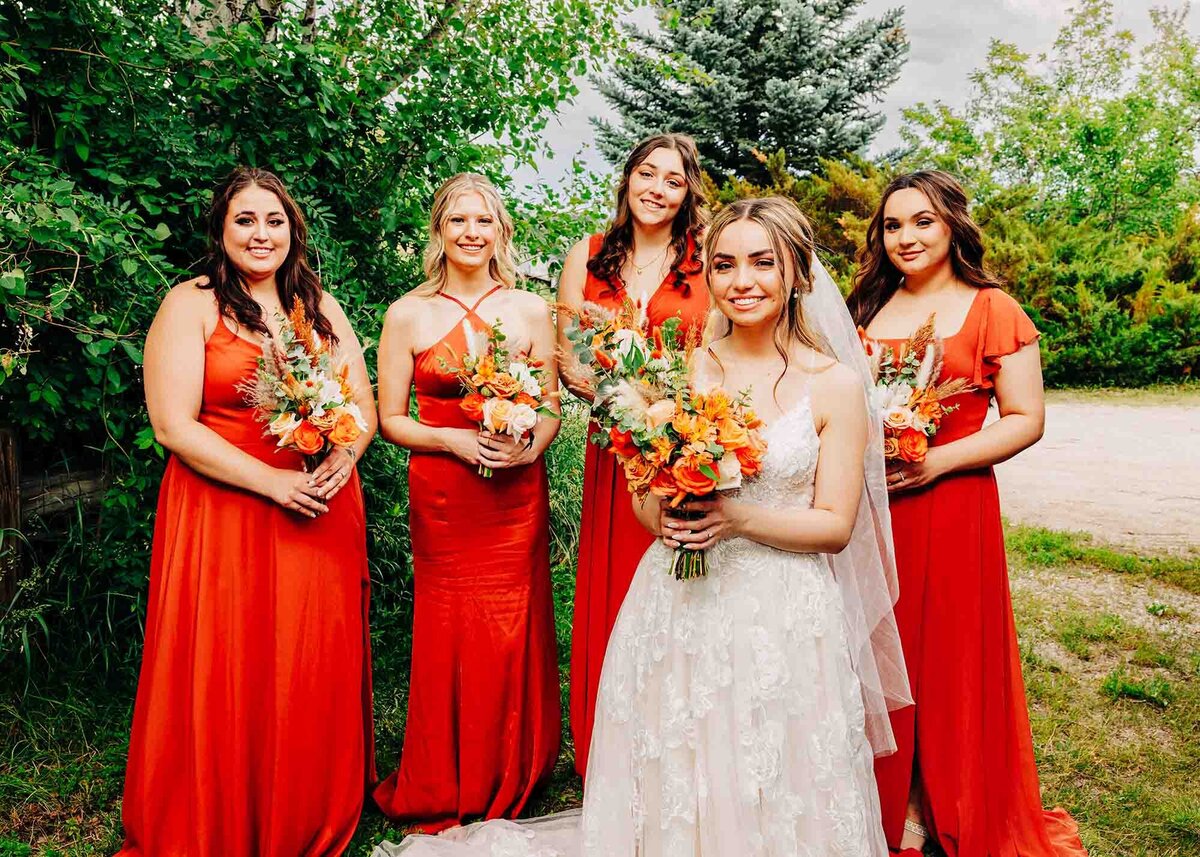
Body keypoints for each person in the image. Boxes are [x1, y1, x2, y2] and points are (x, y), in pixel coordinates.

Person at [373, 196, 910, 857]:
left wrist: (733, 515)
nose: (743, 280)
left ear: (798, 273)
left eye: (762, 263)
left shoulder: (834, 385)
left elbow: (833, 524)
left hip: (782, 608)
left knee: (772, 754)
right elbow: (643, 503)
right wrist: (670, 506)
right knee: (685, 748)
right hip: (680, 595)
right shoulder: (686, 369)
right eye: (724, 264)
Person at [120, 167, 376, 857]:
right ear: (221, 229)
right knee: (228, 659)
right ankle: (222, 809)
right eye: (245, 220)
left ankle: (303, 807)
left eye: (274, 221)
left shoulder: (320, 305)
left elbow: (364, 407)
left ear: (293, 230)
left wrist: (344, 458)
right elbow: (174, 425)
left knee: (305, 658)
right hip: (225, 509)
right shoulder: (192, 304)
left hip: (320, 508)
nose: (261, 234)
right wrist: (270, 482)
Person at [850, 170, 1087, 856]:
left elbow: (1026, 418)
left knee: (949, 658)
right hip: (873, 514)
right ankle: (887, 795)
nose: (906, 237)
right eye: (893, 225)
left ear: (952, 222)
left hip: (954, 504)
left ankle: (936, 799)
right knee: (882, 650)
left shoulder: (993, 308)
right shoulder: (865, 308)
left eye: (922, 221)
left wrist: (938, 463)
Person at [373, 173, 561, 833]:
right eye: (458, 221)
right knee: (450, 625)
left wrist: (532, 447)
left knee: (510, 625)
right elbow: (390, 418)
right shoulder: (407, 313)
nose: (472, 232)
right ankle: (444, 770)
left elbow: (553, 408)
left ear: (501, 230)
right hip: (444, 495)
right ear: (439, 231)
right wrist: (451, 438)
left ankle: (514, 764)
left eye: (484, 220)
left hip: (513, 495)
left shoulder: (531, 310)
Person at [557, 132, 710, 776]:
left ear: (688, 193)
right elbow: (567, 355)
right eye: (647, 174)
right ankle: (617, 744)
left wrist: (672, 416)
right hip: (612, 450)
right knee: (619, 590)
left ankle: (685, 741)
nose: (656, 189)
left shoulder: (707, 265)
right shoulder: (587, 254)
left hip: (683, 447)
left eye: (672, 181)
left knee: (688, 584)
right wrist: (621, 399)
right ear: (627, 180)